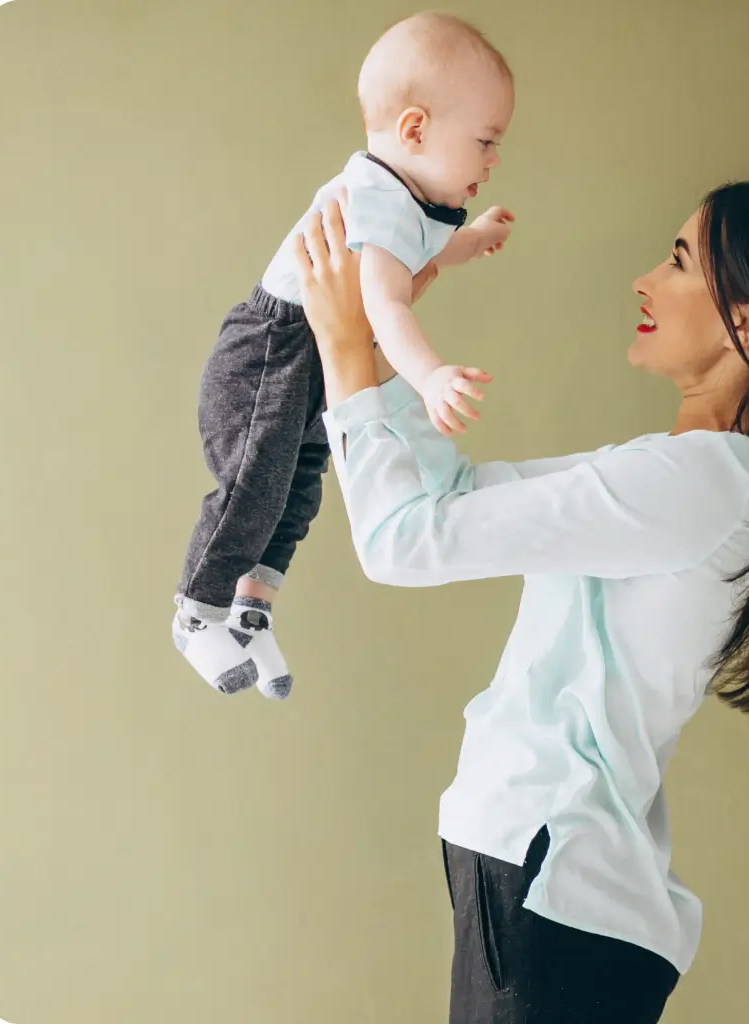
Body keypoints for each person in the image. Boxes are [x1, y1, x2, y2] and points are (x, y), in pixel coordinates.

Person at [290, 178, 749, 1023]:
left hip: (552, 881)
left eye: (681, 261)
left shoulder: (702, 485)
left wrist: (345, 345)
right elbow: (451, 501)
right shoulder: (685, 474)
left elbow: (402, 542)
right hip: (551, 883)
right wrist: (384, 350)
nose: (645, 280)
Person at [172, 12, 515, 700]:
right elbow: (385, 308)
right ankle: (197, 609)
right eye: (485, 141)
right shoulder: (373, 200)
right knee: (254, 483)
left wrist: (472, 239)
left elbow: (427, 248)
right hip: (272, 350)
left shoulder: (405, 198)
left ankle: (251, 608)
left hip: (307, 352)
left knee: (299, 483)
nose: (493, 159)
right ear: (415, 129)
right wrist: (430, 376)